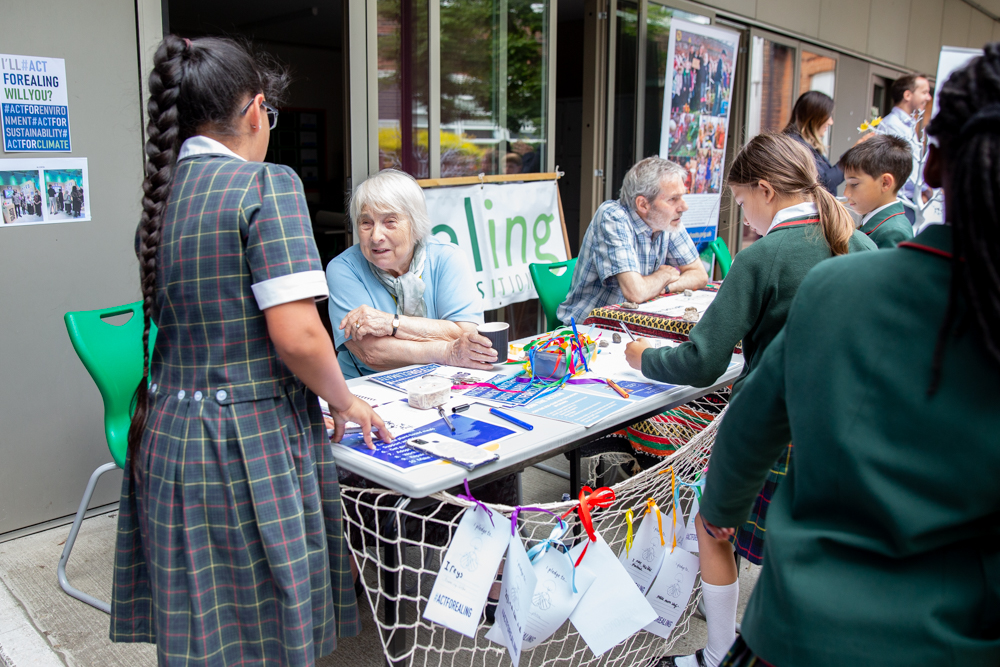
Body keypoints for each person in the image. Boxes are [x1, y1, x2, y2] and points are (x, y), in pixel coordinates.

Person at [702, 45, 1000, 667]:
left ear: (934, 163)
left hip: (798, 629)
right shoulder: (850, 262)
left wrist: (719, 514)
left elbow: (749, 428)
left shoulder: (840, 288)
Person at [111, 35, 391, 666]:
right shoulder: (268, 185)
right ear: (257, 110)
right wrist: (346, 402)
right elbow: (297, 336)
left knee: (203, 635)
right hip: (246, 442)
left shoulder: (160, 203)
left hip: (167, 438)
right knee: (265, 633)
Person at [627, 133, 877, 667]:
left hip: (770, 433)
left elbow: (702, 362)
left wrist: (643, 357)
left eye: (742, 202)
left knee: (713, 528)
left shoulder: (762, 257)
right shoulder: (862, 244)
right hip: (847, 431)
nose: (744, 218)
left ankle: (719, 653)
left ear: (764, 190)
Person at [326, 169, 496, 380]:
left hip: (440, 381)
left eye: (390, 222)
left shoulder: (447, 257)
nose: (376, 236)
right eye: (366, 223)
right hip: (365, 387)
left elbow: (467, 334)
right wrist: (446, 352)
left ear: (415, 225)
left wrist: (392, 323)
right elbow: (372, 353)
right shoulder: (343, 269)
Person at [557, 156, 708, 325]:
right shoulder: (613, 216)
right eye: (673, 199)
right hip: (590, 328)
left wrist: (664, 286)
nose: (684, 207)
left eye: (682, 197)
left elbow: (699, 275)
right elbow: (636, 292)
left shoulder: (667, 219)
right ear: (643, 204)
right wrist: (663, 275)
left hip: (636, 322)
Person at [838, 134, 914, 249]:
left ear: (885, 183)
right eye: (846, 184)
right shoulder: (877, 223)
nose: (846, 193)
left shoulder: (893, 233)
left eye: (854, 184)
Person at [876, 73, 933, 203]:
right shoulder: (892, 125)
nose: (928, 98)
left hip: (908, 200)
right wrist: (925, 189)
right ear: (907, 95)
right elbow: (899, 168)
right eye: (924, 92)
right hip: (901, 201)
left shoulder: (907, 125)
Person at [783, 91, 842, 193]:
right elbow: (821, 183)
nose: (831, 122)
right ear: (814, 117)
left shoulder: (801, 143)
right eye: (828, 116)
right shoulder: (794, 146)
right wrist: (850, 160)